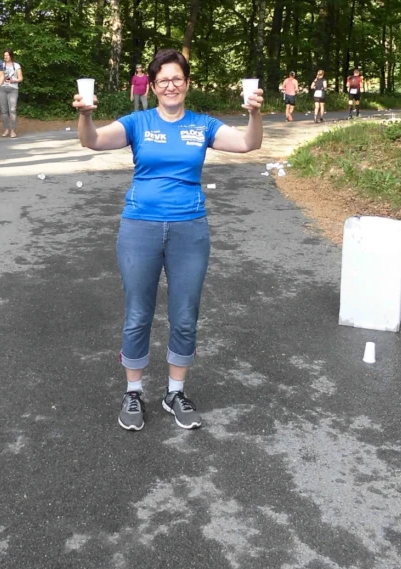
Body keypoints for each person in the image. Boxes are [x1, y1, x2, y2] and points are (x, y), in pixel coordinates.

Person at [73, 47, 264, 432]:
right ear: (154, 86)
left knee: (184, 314)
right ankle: (133, 392)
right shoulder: (137, 122)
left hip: (189, 229)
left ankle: (175, 391)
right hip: (139, 226)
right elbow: (92, 141)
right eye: (164, 81)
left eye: (177, 79)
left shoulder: (203, 125)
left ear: (187, 83)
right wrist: (85, 116)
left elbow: (248, 144)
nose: (171, 86)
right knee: (138, 312)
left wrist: (255, 114)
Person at [0, 49, 23, 138]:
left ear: (11, 56)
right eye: (4, 55)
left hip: (13, 89)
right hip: (2, 89)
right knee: (4, 111)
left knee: (12, 110)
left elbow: (20, 78)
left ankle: (12, 130)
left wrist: (13, 80)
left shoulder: (16, 65)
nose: (6, 57)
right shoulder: (1, 65)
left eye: (7, 55)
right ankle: (6, 129)